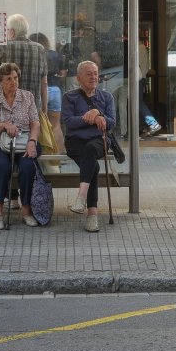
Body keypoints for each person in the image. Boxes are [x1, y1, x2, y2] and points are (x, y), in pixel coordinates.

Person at [0, 62, 41, 230]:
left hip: (23, 143)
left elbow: (35, 123)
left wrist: (32, 142)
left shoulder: (27, 97)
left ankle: (27, 211)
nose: (13, 82)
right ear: (0, 82)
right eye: (8, 79)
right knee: (3, 166)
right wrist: (4, 125)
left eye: (15, 78)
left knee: (28, 167)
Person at [62, 59, 116, 233]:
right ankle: (92, 215)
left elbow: (112, 123)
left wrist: (99, 114)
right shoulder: (69, 97)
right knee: (92, 165)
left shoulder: (106, 97)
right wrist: (90, 117)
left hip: (98, 140)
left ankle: (81, 197)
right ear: (78, 78)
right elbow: (68, 122)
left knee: (91, 150)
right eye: (89, 74)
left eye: (95, 73)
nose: (93, 77)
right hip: (75, 141)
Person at [0, 14, 47, 116]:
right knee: (30, 132)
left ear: (12, 31)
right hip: (31, 107)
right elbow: (44, 82)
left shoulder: (3, 46)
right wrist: (44, 109)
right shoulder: (39, 48)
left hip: (6, 105)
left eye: (7, 30)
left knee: (6, 131)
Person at [29, 31, 66, 152]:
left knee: (36, 124)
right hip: (55, 90)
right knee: (56, 125)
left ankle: (42, 154)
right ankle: (59, 155)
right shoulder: (55, 54)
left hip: (39, 90)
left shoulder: (33, 53)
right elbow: (63, 73)